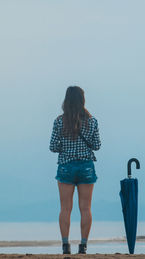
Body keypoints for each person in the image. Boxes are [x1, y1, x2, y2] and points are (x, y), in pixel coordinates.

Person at [49, 86, 101, 254]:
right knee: (85, 208)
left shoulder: (59, 121)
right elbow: (97, 145)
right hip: (86, 166)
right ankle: (83, 245)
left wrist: (65, 147)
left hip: (66, 166)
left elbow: (52, 146)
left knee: (65, 209)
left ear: (66, 100)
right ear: (82, 100)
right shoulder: (92, 121)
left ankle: (65, 245)